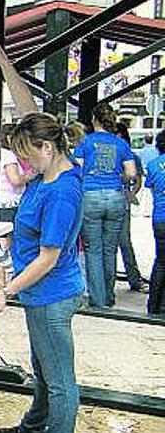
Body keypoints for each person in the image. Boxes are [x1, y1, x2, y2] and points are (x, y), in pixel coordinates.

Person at [0, 34, 85, 433]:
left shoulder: (61, 191)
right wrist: (3, 62)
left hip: (52, 293)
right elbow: (29, 113)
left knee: (60, 381)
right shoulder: (50, 162)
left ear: (46, 149)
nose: (22, 164)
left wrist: (5, 292)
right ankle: (33, 426)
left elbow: (48, 258)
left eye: (26, 155)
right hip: (41, 293)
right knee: (44, 367)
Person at [73, 103, 136, 307]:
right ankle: (109, 296)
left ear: (94, 119)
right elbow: (132, 173)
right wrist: (119, 179)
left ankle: (97, 299)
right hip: (115, 196)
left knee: (93, 249)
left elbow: (77, 168)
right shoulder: (121, 144)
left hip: (90, 195)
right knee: (110, 249)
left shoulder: (86, 142)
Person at [0, 123, 33, 288]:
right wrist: (30, 175)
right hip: (11, 203)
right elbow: (15, 180)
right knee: (6, 246)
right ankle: (4, 283)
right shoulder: (9, 156)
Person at [114, 122, 147, 293]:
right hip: (116, 199)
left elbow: (138, 180)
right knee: (111, 245)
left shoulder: (132, 156)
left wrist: (130, 192)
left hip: (123, 201)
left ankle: (134, 279)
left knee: (124, 243)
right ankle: (110, 280)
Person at [144, 130, 165, 313]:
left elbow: (149, 185)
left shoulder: (153, 164)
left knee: (160, 261)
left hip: (160, 218)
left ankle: (153, 305)